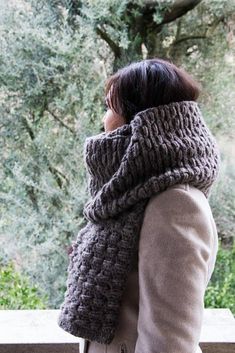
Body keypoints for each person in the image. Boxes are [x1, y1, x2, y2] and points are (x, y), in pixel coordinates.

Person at [81, 58, 220, 353]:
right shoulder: (134, 195)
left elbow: (170, 342)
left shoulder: (176, 204)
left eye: (110, 107)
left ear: (141, 119)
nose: (104, 119)